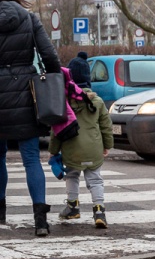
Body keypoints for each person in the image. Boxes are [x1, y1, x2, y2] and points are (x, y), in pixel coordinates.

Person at [0, 0, 61, 237]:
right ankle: (40, 220)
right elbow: (50, 56)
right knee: (31, 157)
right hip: (28, 93)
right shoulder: (29, 19)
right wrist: (54, 81)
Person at [49, 64, 114, 228]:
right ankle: (99, 211)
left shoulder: (64, 103)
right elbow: (106, 126)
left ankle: (72, 207)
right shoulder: (97, 102)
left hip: (71, 148)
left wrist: (53, 151)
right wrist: (107, 145)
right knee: (95, 180)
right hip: (93, 147)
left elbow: (56, 130)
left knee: (72, 176)